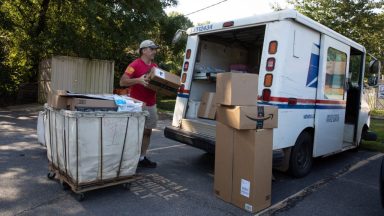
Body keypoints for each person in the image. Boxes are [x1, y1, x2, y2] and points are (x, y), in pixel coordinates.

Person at [120, 39, 160, 168]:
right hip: (137, 104)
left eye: (155, 49)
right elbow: (123, 81)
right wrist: (138, 80)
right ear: (143, 50)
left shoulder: (155, 67)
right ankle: (129, 159)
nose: (154, 51)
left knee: (147, 132)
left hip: (151, 104)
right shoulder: (134, 65)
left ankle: (142, 158)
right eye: (151, 49)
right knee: (134, 132)